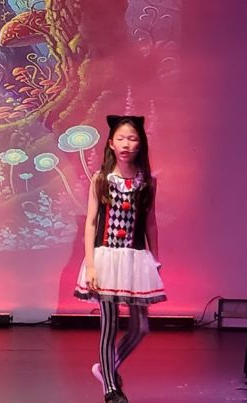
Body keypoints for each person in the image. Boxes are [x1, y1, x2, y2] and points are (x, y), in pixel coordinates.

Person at [74, 115, 166, 403]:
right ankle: (110, 389)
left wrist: (156, 260)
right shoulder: (101, 179)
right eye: (121, 138)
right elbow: (91, 223)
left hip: (135, 259)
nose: (126, 144)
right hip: (106, 258)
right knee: (110, 324)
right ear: (111, 143)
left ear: (141, 144)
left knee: (141, 327)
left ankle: (107, 368)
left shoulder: (147, 182)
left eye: (132, 138)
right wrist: (91, 264)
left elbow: (150, 223)